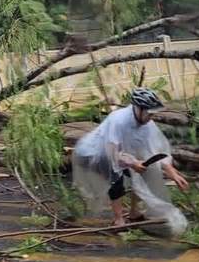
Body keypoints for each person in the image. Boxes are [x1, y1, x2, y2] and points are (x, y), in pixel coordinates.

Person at [72, 88, 189, 235]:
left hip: (120, 153)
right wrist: (133, 164)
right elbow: (111, 152)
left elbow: (157, 147)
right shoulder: (118, 120)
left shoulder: (147, 123)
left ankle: (134, 212)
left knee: (142, 172)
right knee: (116, 178)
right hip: (94, 152)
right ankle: (118, 219)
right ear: (138, 109)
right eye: (149, 113)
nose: (151, 117)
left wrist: (171, 171)